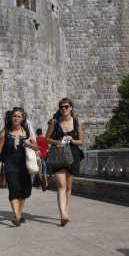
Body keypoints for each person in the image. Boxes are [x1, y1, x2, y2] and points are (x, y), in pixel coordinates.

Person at [0, 107, 38, 227]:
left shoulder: (27, 132)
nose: (16, 118)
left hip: (24, 166)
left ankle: (19, 214)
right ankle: (17, 216)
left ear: (22, 119)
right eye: (14, 116)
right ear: (11, 118)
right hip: (10, 165)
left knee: (25, 192)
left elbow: (37, 147)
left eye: (19, 116)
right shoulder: (5, 133)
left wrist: (31, 144)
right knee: (14, 190)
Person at [45, 97, 84, 227]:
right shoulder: (54, 122)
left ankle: (66, 212)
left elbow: (81, 142)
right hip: (59, 155)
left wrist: (72, 140)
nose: (64, 109)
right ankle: (63, 215)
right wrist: (58, 142)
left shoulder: (77, 122)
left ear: (71, 107)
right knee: (61, 185)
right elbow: (47, 139)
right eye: (61, 107)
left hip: (73, 155)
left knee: (68, 187)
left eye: (66, 106)